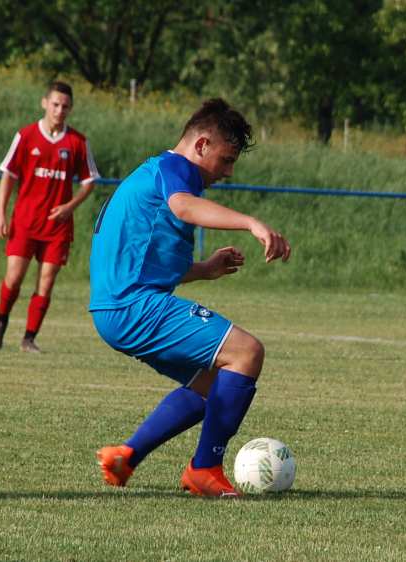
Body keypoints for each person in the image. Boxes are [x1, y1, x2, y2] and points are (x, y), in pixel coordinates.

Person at [89, 98, 291, 498]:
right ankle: (205, 469)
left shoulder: (154, 177)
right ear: (201, 145)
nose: (228, 172)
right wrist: (252, 222)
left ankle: (126, 456)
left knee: (214, 380)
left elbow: (146, 259)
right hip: (134, 306)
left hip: (115, 309)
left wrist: (203, 269)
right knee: (247, 352)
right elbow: (183, 209)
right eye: (226, 159)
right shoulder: (173, 170)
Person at [0, 80, 100, 353]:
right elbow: (9, 175)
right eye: (55, 104)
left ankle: (29, 338)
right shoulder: (26, 136)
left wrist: (69, 207)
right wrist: (0, 214)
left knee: (47, 280)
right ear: (44, 103)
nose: (59, 110)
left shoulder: (77, 142)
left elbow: (89, 182)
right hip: (25, 221)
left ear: (70, 109)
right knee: (14, 277)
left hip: (57, 226)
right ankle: (0, 325)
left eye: (65, 106)